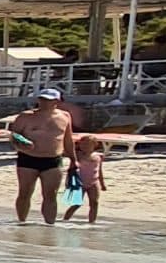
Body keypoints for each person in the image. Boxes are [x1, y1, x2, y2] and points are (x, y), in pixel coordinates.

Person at [9, 88, 75, 224]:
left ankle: (50, 225)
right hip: (28, 158)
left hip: (53, 160)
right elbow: (13, 136)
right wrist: (21, 145)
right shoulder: (26, 116)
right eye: (42, 99)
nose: (44, 102)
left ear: (57, 101)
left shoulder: (65, 116)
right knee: (25, 192)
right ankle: (22, 222)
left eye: (48, 100)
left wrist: (74, 159)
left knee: (51, 194)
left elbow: (68, 139)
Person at [71, 133, 106, 225]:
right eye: (83, 144)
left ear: (95, 145)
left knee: (94, 203)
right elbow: (71, 169)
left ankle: (92, 222)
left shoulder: (99, 156)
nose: (85, 146)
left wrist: (102, 184)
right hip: (80, 182)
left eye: (88, 144)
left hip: (94, 182)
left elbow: (100, 170)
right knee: (76, 204)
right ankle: (65, 219)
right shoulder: (77, 155)